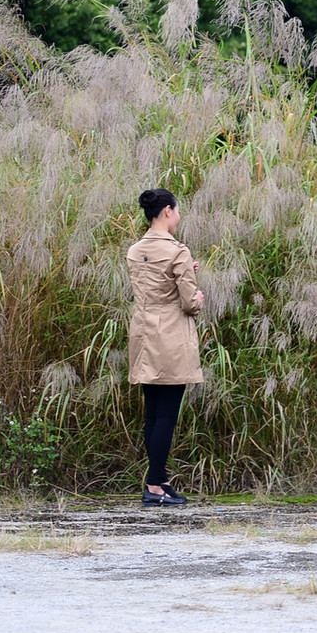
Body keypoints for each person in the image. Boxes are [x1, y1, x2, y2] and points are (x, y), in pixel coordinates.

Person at [127, 189, 204, 507]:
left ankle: (158, 481)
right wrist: (198, 296)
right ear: (168, 211)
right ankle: (154, 486)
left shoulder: (135, 250)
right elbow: (189, 303)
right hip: (171, 338)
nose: (178, 216)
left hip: (144, 337)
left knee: (153, 414)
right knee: (167, 416)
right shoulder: (178, 252)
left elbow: (155, 285)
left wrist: (186, 273)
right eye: (177, 211)